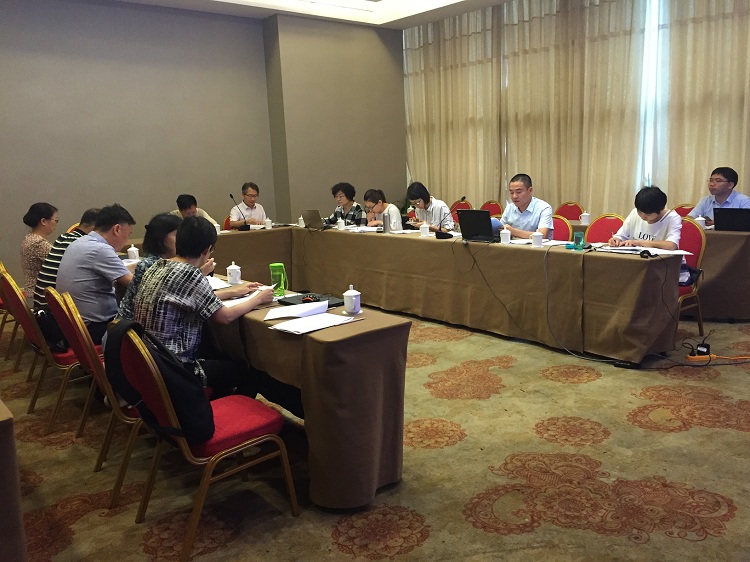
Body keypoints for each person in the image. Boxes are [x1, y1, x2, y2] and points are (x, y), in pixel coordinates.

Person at [132, 216, 303, 414]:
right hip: (178, 369)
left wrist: (234, 292)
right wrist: (258, 298)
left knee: (220, 355)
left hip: (153, 363)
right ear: (207, 250)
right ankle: (231, 416)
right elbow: (225, 317)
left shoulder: (157, 266)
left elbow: (190, 297)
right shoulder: (190, 274)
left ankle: (216, 404)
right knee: (250, 370)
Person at [56, 204, 136, 344]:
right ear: (117, 229)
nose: (126, 242)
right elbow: (135, 284)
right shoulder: (100, 249)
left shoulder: (79, 242)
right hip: (94, 328)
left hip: (72, 325)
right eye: (128, 235)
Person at [33, 208, 100, 310]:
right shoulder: (83, 244)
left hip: (42, 302)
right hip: (53, 310)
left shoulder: (63, 238)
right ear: (95, 227)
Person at [609, 186, 681, 250]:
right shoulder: (634, 213)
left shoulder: (672, 218)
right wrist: (616, 240)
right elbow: (621, 236)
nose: (643, 216)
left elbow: (672, 245)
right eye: (640, 212)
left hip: (665, 260)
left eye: (648, 214)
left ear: (661, 209)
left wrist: (639, 243)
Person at [20, 202, 59, 303]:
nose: (56, 223)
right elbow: (59, 265)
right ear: (43, 221)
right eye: (55, 220)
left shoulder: (29, 237)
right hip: (39, 296)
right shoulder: (38, 243)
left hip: (32, 292)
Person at [496, 174, 553, 239]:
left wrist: (513, 231)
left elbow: (542, 235)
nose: (514, 196)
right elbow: (499, 230)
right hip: (512, 245)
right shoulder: (510, 207)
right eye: (511, 193)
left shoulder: (544, 208)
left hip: (536, 245)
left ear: (530, 191)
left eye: (518, 192)